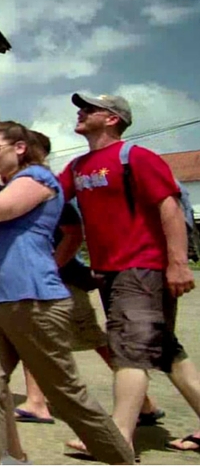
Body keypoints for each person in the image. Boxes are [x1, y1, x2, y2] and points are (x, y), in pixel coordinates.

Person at [0, 122, 135, 465]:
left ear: (19, 147)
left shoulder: (37, 179)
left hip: (33, 300)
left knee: (65, 395)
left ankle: (120, 458)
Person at [56, 93, 200, 457]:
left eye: (89, 108)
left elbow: (168, 208)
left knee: (129, 351)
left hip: (141, 267)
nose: (80, 112)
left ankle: (116, 437)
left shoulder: (135, 158)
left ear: (112, 119)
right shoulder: (77, 166)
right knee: (165, 351)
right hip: (110, 272)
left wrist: (178, 262)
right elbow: (44, 195)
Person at [13, 130, 163, 427]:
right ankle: (143, 403)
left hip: (62, 279)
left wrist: (51, 268)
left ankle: (39, 402)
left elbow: (72, 234)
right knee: (56, 338)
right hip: (57, 277)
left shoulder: (42, 189)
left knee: (69, 338)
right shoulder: (34, 186)